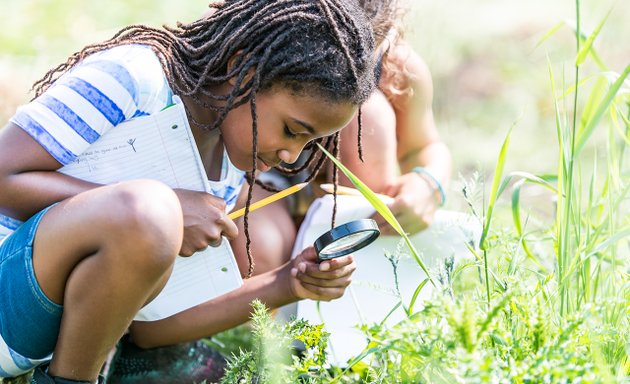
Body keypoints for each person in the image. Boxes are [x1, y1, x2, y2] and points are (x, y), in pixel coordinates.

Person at [0, 0, 377, 383]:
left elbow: (151, 328)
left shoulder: (228, 168)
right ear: (243, 70)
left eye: (309, 143)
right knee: (149, 211)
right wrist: (165, 210)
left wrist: (288, 282)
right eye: (292, 131)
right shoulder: (136, 77)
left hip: (29, 339)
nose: (290, 156)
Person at [231, 0, 452, 276]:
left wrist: (428, 184)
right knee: (259, 248)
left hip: (344, 192)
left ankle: (359, 274)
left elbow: (425, 146)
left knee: (369, 117)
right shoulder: (256, 28)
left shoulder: (398, 67)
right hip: (261, 178)